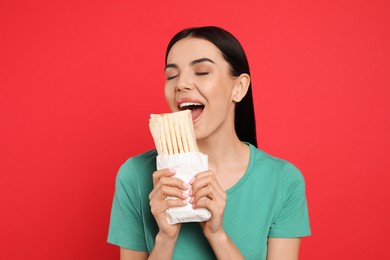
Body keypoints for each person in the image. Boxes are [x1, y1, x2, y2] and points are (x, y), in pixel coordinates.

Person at [107, 26, 311, 260]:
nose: (181, 84)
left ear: (239, 87)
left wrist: (217, 235)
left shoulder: (282, 180)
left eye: (202, 71)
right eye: (171, 75)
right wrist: (165, 238)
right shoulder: (134, 175)